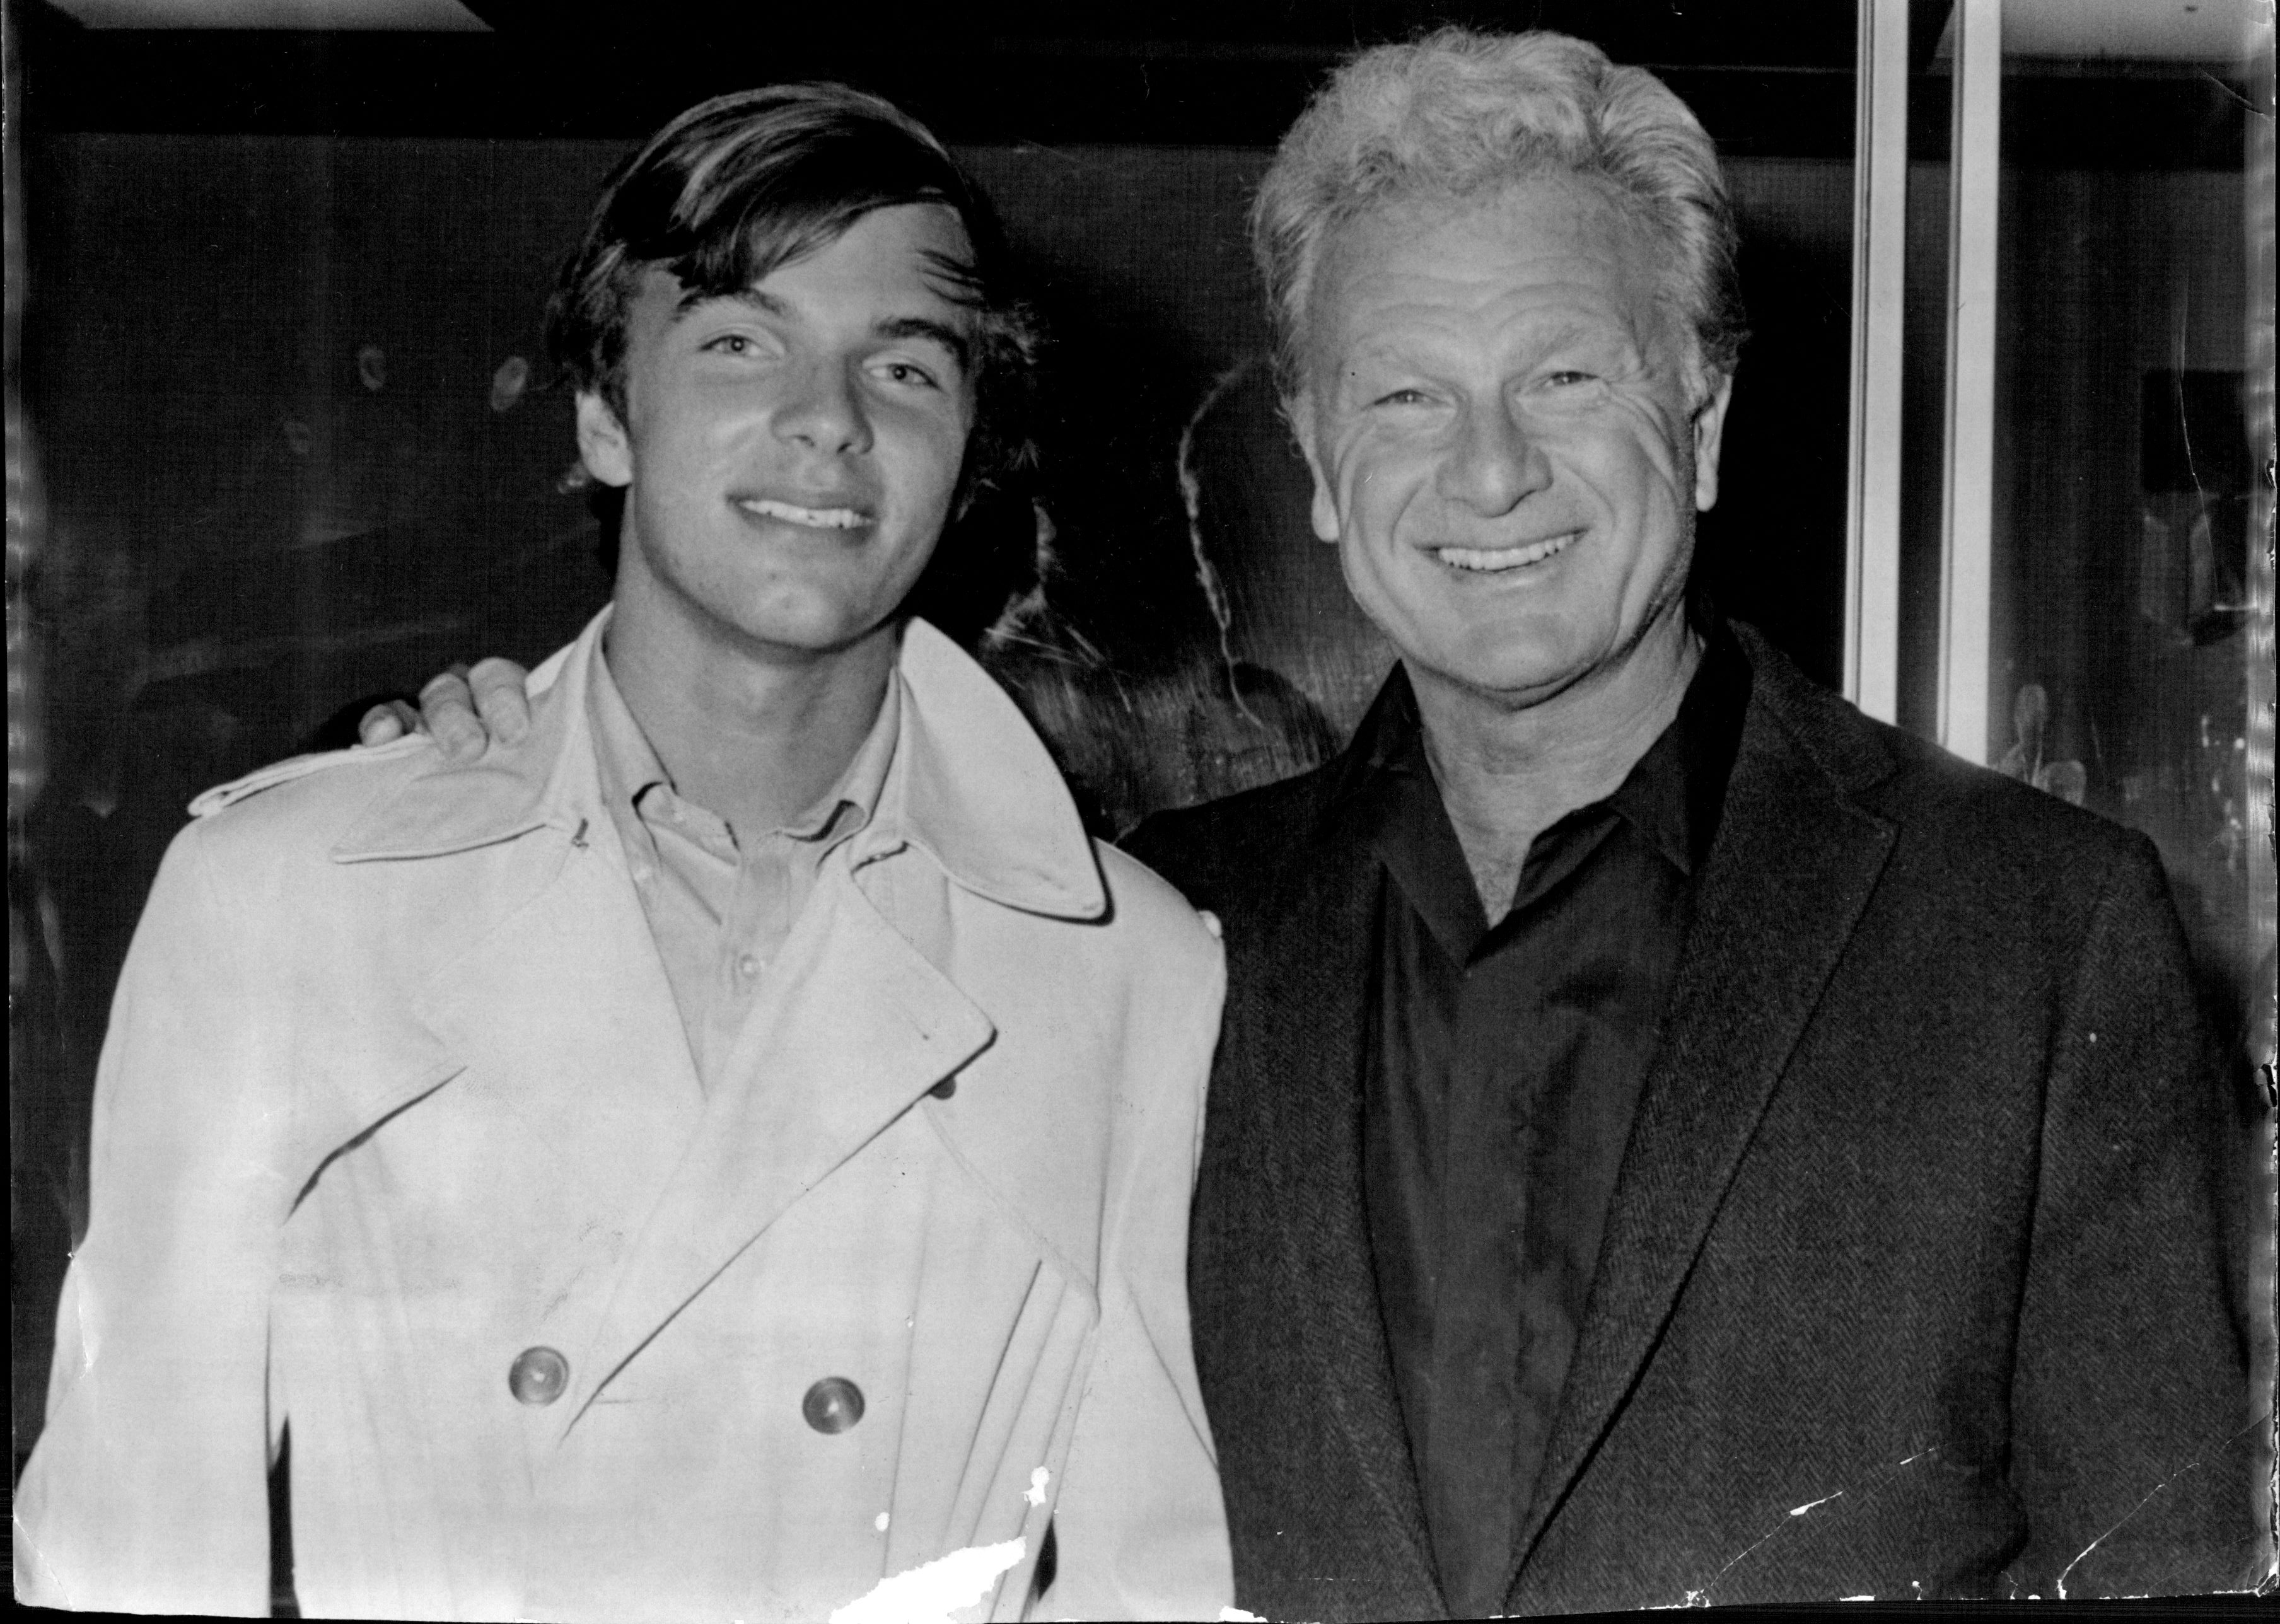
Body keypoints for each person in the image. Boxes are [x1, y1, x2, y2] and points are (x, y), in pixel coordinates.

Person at [375, 30, 2267, 1618]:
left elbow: (2163, 1566)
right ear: (1318, 467)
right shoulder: (1125, 933)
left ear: (1697, 424)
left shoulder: (2035, 929)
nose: (1492, 468)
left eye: (1567, 376)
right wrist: (508, 782)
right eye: (1409, 396)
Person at [13, 84, 1232, 1623]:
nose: (827, 419)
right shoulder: (283, 894)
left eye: (906, 364)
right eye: (739, 340)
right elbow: (130, 1545)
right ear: (604, 412)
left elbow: (1145, 1589)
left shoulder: (1126, 972)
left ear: (968, 446)